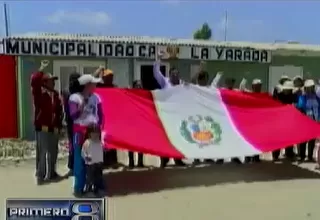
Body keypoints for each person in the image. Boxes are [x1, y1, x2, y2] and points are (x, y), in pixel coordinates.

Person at [68, 74, 103, 197]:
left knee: (96, 161)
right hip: (80, 132)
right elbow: (73, 116)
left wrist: (99, 130)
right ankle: (79, 188)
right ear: (87, 85)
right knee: (81, 161)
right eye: (93, 83)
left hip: (94, 132)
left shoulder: (96, 98)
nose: (95, 85)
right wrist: (81, 107)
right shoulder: (75, 98)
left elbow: (101, 115)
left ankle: (97, 186)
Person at [31, 60, 63, 185]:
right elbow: (34, 81)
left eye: (54, 80)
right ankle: (41, 175)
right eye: (51, 80)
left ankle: (52, 173)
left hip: (53, 127)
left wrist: (59, 126)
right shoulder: (39, 93)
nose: (53, 82)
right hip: (42, 127)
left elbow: (59, 111)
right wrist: (40, 69)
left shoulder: (55, 94)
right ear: (45, 82)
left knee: (53, 151)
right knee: (43, 151)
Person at [153, 51, 186, 168]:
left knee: (179, 137)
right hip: (166, 115)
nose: (175, 76)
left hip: (178, 116)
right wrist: (158, 59)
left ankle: (178, 159)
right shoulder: (165, 82)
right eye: (173, 74)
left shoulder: (182, 84)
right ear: (170, 75)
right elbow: (156, 73)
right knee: (165, 138)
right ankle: (164, 159)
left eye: (177, 74)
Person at [239, 78, 263, 163]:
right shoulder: (248, 94)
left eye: (259, 86)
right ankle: (248, 157)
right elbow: (241, 88)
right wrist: (245, 78)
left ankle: (256, 157)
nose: (258, 87)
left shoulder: (262, 96)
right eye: (256, 86)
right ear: (253, 86)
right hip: (249, 122)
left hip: (258, 122)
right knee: (248, 140)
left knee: (258, 141)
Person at [62, 73, 81, 175]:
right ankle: (73, 166)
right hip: (73, 121)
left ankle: (73, 166)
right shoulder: (69, 92)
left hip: (73, 121)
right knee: (74, 144)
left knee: (74, 144)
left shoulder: (67, 91)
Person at [272, 80, 296, 161]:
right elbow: (273, 100)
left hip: (289, 120)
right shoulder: (279, 95)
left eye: (289, 90)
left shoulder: (293, 96)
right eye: (286, 89)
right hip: (278, 120)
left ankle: (289, 153)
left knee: (289, 137)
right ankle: (275, 155)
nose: (287, 91)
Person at [296, 79, 319, 162]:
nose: (310, 89)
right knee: (304, 139)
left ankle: (309, 156)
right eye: (308, 88)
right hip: (305, 121)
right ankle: (302, 155)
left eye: (311, 87)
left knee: (312, 140)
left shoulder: (317, 97)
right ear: (305, 88)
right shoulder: (302, 98)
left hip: (314, 121)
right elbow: (299, 108)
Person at [82, 124, 105, 196]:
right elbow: (83, 152)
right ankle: (87, 188)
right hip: (90, 164)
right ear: (89, 134)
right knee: (89, 177)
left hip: (98, 163)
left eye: (97, 133)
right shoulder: (87, 142)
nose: (95, 135)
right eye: (93, 133)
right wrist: (86, 157)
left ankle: (96, 188)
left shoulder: (99, 142)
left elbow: (102, 151)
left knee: (98, 176)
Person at [128, 80, 145, 168]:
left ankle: (140, 162)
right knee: (130, 143)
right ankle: (131, 162)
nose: (139, 87)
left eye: (140, 85)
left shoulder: (144, 97)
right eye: (137, 85)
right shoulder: (130, 96)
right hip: (131, 123)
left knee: (140, 143)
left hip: (141, 123)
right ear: (134, 87)